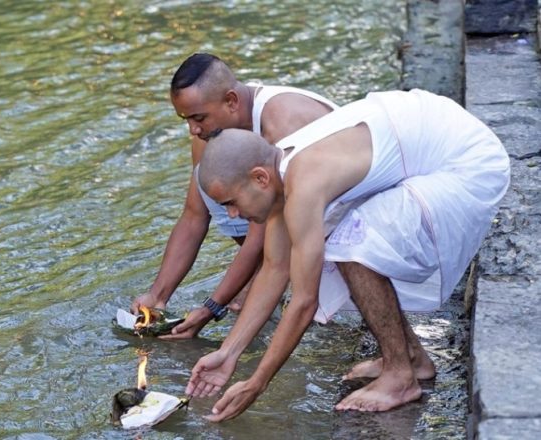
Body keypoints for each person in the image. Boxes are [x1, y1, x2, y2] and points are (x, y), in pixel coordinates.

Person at [188, 89, 510, 417]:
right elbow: (274, 269)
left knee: (348, 242)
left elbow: (303, 301)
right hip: (437, 142)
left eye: (230, 203)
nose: (231, 216)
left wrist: (257, 382)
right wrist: (228, 353)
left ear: (260, 177)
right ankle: (410, 356)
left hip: (468, 162)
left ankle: (400, 376)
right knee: (338, 235)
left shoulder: (304, 182)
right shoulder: (282, 175)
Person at [131, 53, 338, 339]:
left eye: (198, 118)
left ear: (231, 101)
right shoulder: (207, 136)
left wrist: (213, 306)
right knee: (211, 185)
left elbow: (263, 234)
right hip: (284, 238)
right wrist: (157, 296)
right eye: (185, 119)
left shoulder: (281, 127)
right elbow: (193, 217)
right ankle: (255, 279)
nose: (192, 129)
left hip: (342, 225)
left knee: (264, 310)